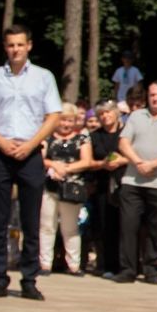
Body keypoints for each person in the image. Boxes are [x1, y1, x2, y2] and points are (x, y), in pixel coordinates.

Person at [0, 25, 60, 301]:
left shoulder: (43, 77)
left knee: (30, 218)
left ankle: (29, 279)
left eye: (20, 44)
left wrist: (32, 144)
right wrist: (0, 141)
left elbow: (53, 115)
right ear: (5, 47)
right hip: (0, 151)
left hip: (31, 152)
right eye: (10, 45)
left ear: (29, 45)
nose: (15, 50)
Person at [114, 80, 157, 286]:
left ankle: (151, 270)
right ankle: (128, 269)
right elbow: (123, 142)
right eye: (152, 94)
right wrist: (138, 162)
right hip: (132, 180)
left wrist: (154, 164)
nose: (155, 98)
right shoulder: (136, 116)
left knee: (155, 229)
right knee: (128, 226)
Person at [40, 102, 97, 276]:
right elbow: (40, 158)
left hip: (72, 187)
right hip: (50, 186)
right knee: (46, 226)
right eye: (63, 120)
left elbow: (87, 161)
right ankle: (45, 264)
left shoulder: (82, 138)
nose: (66, 124)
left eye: (70, 121)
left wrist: (66, 168)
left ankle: (73, 264)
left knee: (70, 227)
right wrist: (53, 165)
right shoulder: (47, 137)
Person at [86, 100, 123, 276]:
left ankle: (123, 265)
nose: (105, 116)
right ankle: (104, 264)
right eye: (101, 114)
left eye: (108, 112)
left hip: (123, 184)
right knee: (102, 225)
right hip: (101, 184)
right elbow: (88, 161)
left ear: (116, 113)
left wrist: (121, 161)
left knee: (123, 225)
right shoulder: (93, 136)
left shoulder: (125, 134)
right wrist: (102, 164)